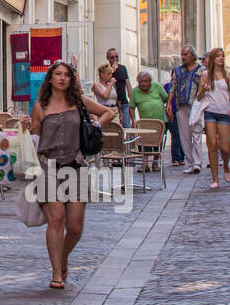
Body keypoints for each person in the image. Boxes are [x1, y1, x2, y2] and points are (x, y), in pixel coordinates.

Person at [31, 61, 116, 289]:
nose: (62, 78)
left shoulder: (78, 102)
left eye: (66, 75)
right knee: (56, 219)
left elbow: (109, 112)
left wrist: (97, 124)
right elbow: (34, 136)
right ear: (50, 79)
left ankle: (63, 256)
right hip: (47, 166)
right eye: (57, 74)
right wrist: (24, 128)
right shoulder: (41, 106)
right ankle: (57, 273)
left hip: (75, 166)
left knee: (76, 227)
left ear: (71, 79)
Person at [199, 47, 230, 189]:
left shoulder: (229, 75)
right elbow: (199, 97)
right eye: (218, 56)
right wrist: (203, 90)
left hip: (224, 112)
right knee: (212, 144)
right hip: (210, 112)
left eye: (222, 56)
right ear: (212, 59)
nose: (221, 58)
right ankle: (215, 178)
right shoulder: (204, 75)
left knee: (225, 147)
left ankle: (226, 166)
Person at [166, 45, 206, 175]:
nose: (183, 57)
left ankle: (198, 163)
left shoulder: (202, 71)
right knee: (184, 136)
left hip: (196, 106)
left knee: (196, 133)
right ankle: (190, 163)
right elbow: (173, 87)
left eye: (186, 54)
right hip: (181, 106)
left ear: (192, 55)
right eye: (182, 55)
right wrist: (169, 104)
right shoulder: (178, 70)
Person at [128, 71, 168, 173]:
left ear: (150, 81)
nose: (143, 84)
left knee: (158, 143)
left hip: (160, 122)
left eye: (145, 81)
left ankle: (155, 163)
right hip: (144, 123)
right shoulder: (135, 92)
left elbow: (166, 98)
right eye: (140, 81)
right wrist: (133, 120)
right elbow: (131, 107)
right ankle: (145, 164)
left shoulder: (157, 87)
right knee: (143, 143)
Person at [107, 48, 131, 128]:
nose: (115, 59)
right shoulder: (106, 70)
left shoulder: (123, 68)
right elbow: (104, 82)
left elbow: (127, 83)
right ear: (108, 58)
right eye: (112, 57)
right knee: (115, 127)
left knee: (127, 125)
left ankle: (127, 140)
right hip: (112, 104)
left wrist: (131, 98)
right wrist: (112, 71)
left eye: (116, 57)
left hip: (124, 102)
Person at [163, 78, 185, 166]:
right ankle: (176, 158)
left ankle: (181, 157)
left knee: (181, 135)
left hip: (181, 112)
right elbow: (164, 99)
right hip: (171, 112)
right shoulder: (167, 86)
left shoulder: (183, 87)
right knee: (176, 135)